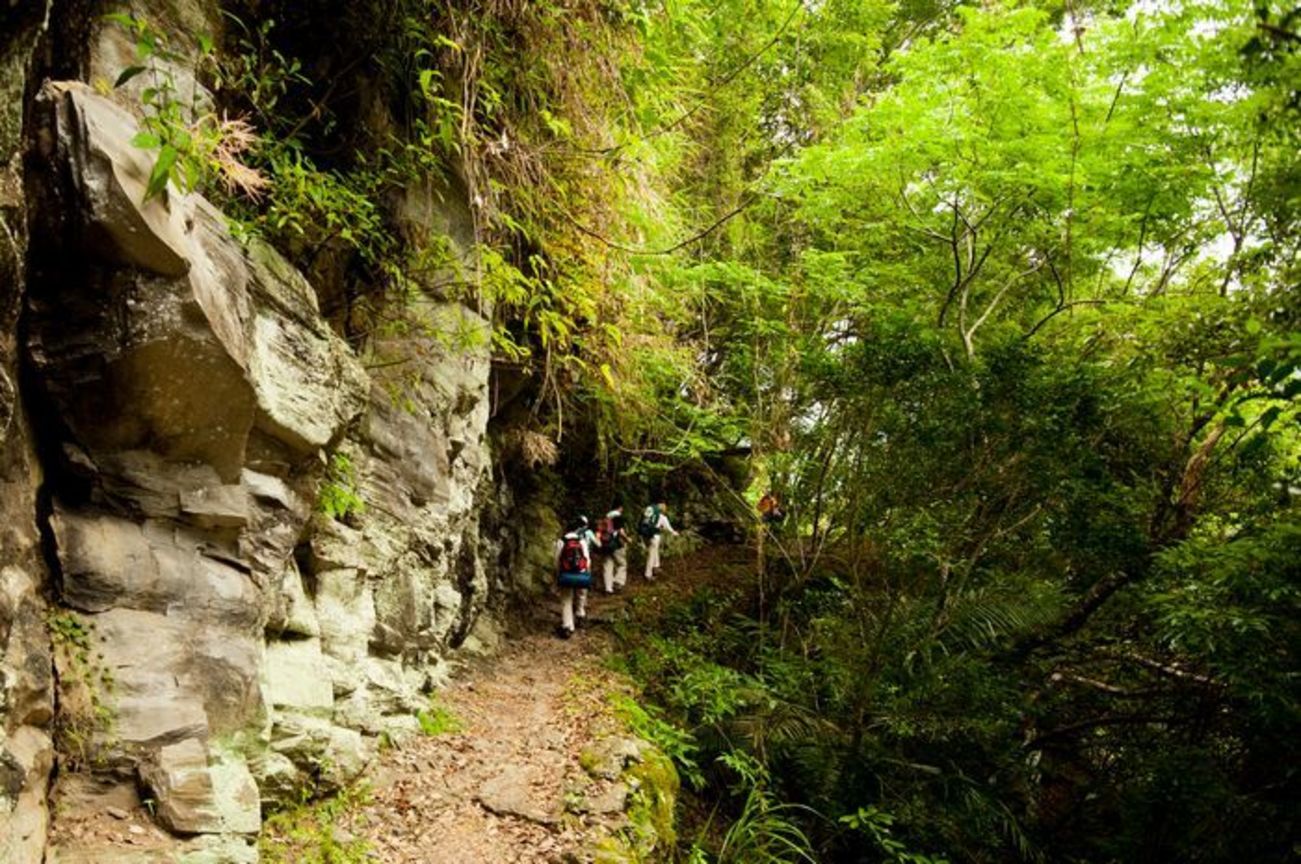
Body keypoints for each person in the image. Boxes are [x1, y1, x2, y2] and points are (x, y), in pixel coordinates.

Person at [555, 515, 593, 638]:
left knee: (566, 599)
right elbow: (587, 560)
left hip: (566, 573)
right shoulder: (581, 541)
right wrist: (587, 572)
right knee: (581, 594)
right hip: (581, 573)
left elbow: (557, 560)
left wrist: (558, 573)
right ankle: (580, 614)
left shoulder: (561, 541)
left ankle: (567, 626)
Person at [637, 501, 678, 581]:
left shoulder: (648, 510)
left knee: (654, 551)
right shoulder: (662, 517)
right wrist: (674, 533)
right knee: (651, 555)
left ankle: (656, 566)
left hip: (645, 535)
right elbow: (669, 528)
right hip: (654, 536)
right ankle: (648, 574)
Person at [596, 506, 629, 594]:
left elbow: (599, 533)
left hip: (605, 546)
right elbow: (621, 532)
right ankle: (618, 582)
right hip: (616, 546)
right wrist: (627, 539)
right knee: (622, 564)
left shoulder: (606, 518)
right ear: (620, 507)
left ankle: (608, 589)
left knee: (607, 566)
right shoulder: (617, 516)